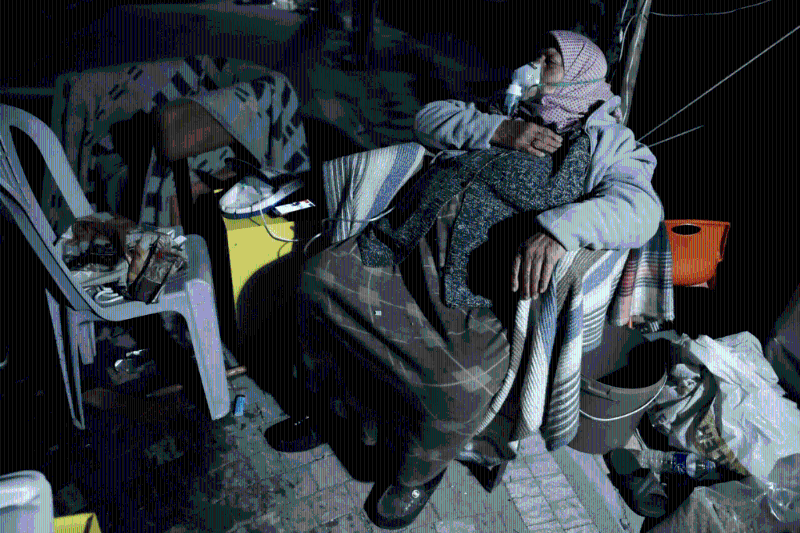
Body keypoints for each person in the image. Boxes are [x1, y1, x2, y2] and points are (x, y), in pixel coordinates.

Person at [265, 30, 663, 529]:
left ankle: (417, 473)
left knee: (458, 388)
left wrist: (561, 230)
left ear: (580, 76)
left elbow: (642, 209)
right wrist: (499, 129)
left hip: (472, 295)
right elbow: (427, 120)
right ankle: (330, 411)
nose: (535, 64)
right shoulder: (511, 108)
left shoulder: (608, 139)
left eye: (550, 59)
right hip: (403, 249)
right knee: (319, 280)